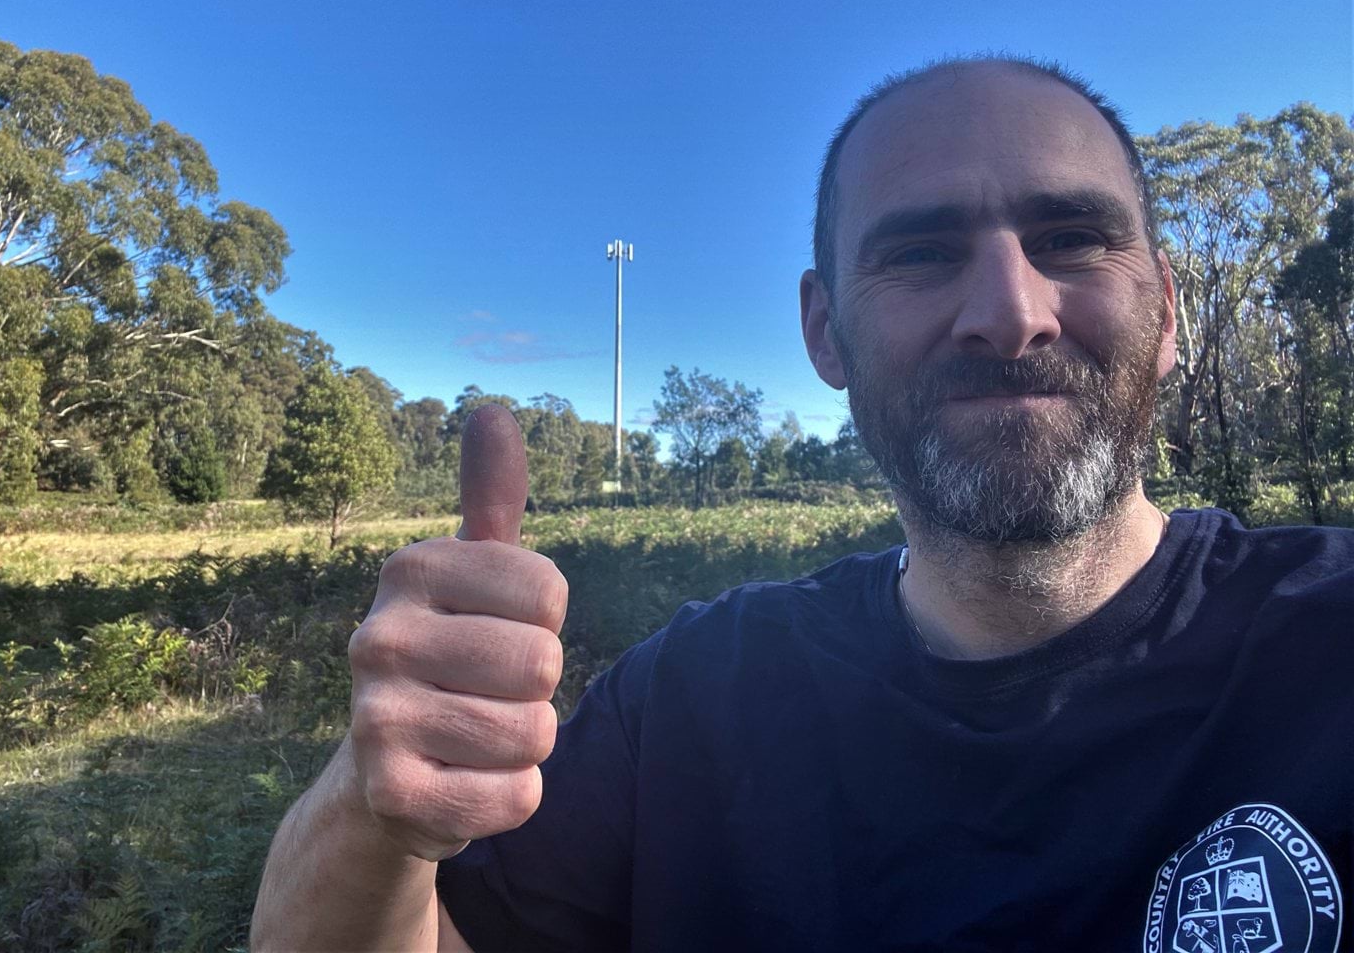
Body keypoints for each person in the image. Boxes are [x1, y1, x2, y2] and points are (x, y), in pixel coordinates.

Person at [250, 56, 1351, 952]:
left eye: (1070, 239)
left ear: (1165, 313)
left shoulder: (1328, 649)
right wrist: (371, 800)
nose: (1009, 313)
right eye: (921, 253)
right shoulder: (686, 706)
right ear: (825, 332)